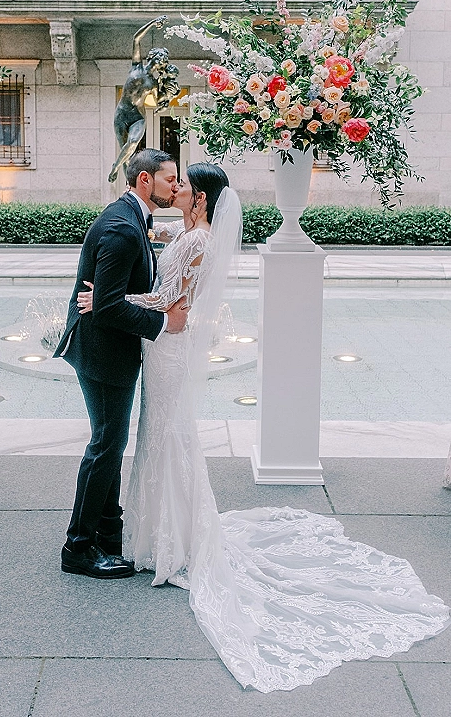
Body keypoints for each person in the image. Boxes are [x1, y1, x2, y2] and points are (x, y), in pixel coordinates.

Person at [77, 162, 450, 692]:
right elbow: (168, 292)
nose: (176, 189)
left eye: (183, 185)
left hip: (169, 349)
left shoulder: (197, 240)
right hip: (165, 350)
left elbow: (167, 305)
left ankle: (170, 539)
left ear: (200, 200)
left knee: (165, 438)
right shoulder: (186, 232)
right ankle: (159, 531)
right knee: (159, 438)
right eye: (172, 181)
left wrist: (107, 303)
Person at [53, 148, 188, 580]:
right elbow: (107, 307)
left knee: (107, 444)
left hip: (105, 348)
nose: (175, 185)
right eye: (170, 179)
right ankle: (78, 547)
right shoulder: (121, 229)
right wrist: (164, 321)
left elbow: (112, 295)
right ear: (145, 180)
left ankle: (108, 532)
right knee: (106, 447)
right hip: (104, 353)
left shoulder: (133, 220)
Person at [108, 16, 180, 184]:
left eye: (163, 61)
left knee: (132, 143)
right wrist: (153, 23)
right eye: (160, 58)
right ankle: (129, 186)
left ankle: (115, 168)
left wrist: (170, 93)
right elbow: (136, 38)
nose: (161, 62)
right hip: (122, 114)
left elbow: (157, 102)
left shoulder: (154, 83)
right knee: (127, 153)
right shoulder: (137, 66)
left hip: (137, 117)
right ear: (152, 57)